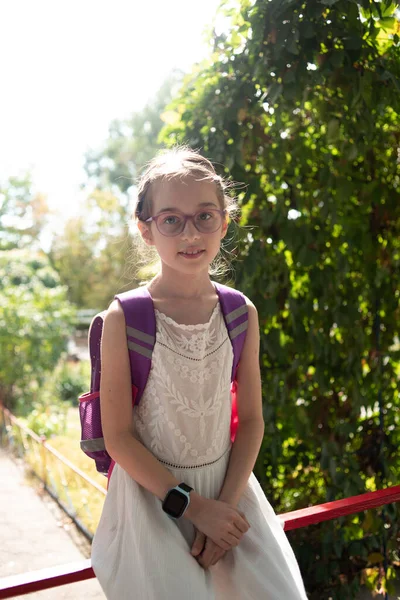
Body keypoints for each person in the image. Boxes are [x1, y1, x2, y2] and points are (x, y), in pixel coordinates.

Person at [91, 147, 308, 599]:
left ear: (224, 222)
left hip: (229, 492)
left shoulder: (239, 312)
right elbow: (119, 437)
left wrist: (222, 509)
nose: (190, 233)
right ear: (146, 229)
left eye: (204, 216)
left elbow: (250, 421)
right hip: (153, 503)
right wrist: (191, 507)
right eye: (171, 219)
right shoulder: (125, 318)